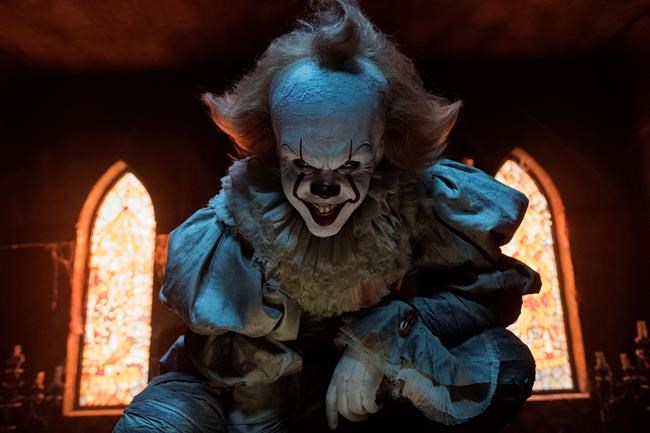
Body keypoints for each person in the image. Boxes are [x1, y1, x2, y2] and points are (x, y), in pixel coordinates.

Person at [114, 1, 540, 432]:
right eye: (301, 164)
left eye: (351, 165)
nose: (324, 189)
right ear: (275, 146)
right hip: (230, 391)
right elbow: (247, 387)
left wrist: (382, 339)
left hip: (346, 386)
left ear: (382, 146)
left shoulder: (417, 199)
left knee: (505, 362)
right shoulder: (239, 221)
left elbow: (486, 296)